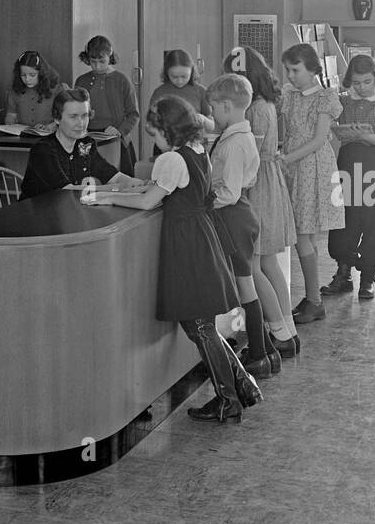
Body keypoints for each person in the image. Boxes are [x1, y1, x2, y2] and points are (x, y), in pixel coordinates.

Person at [93, 96, 263, 424]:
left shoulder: (172, 159)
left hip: (187, 243)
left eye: (155, 134)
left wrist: (106, 197)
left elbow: (147, 202)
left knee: (198, 324)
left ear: (168, 130)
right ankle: (242, 385)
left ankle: (230, 399)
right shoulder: (198, 149)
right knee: (201, 324)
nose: (154, 142)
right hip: (202, 236)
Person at [205, 73, 279, 379]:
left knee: (244, 285)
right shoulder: (239, 136)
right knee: (243, 283)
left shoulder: (234, 144)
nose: (211, 114)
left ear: (225, 106)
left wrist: (201, 203)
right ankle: (265, 351)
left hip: (233, 217)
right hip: (239, 214)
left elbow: (229, 193)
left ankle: (260, 353)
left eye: (212, 108)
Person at [231, 46, 300, 359]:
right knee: (269, 263)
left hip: (259, 184)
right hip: (270, 180)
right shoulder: (267, 103)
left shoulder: (256, 109)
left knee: (255, 266)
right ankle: (287, 331)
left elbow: (250, 157)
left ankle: (278, 330)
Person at [277, 43, 344, 324]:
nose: (291, 75)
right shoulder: (289, 96)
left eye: (296, 69)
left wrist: (285, 158)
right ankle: (312, 296)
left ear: (312, 68)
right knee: (305, 234)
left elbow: (318, 141)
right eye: (288, 70)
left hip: (312, 167)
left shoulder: (325, 98)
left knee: (304, 234)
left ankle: (314, 301)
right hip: (294, 165)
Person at [323, 55, 375, 302]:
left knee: (374, 220)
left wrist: (361, 135)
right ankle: (343, 273)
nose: (362, 87)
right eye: (356, 83)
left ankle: (368, 277)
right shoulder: (343, 103)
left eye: (366, 81)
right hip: (347, 163)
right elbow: (335, 132)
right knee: (344, 218)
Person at [18, 86, 142, 199]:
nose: (81, 123)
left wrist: (134, 183)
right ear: (56, 118)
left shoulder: (86, 143)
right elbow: (67, 191)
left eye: (85, 116)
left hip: (67, 212)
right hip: (37, 217)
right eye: (73, 117)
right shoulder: (43, 150)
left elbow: (110, 174)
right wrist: (115, 188)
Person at [74, 34, 140, 173]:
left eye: (102, 61)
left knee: (119, 181)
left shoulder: (122, 80)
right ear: (87, 59)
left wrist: (120, 130)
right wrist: (85, 115)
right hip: (88, 138)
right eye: (93, 62)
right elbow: (74, 110)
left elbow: (133, 115)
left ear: (110, 57)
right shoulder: (81, 81)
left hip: (116, 138)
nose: (97, 66)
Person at [148, 49, 215, 133]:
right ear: (167, 73)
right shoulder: (160, 93)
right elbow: (149, 126)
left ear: (192, 72)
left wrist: (203, 119)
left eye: (184, 76)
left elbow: (211, 126)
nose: (179, 81)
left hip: (193, 144)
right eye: (174, 77)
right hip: (165, 143)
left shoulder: (201, 91)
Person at [3, 50, 63, 131]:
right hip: (23, 137)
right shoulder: (14, 90)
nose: (27, 79)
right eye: (23, 75)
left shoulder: (56, 89)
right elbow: (11, 115)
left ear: (42, 73)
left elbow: (65, 117)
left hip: (49, 136)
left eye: (32, 75)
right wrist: (9, 124)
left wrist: (52, 126)